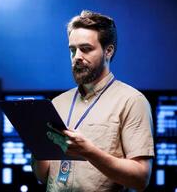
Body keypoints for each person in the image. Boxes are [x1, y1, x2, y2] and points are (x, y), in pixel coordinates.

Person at [31, 10, 154, 191]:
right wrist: (36, 144)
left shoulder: (132, 101)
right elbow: (44, 177)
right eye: (72, 50)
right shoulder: (57, 103)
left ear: (108, 51)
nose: (77, 57)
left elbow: (140, 179)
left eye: (86, 49)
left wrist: (89, 152)